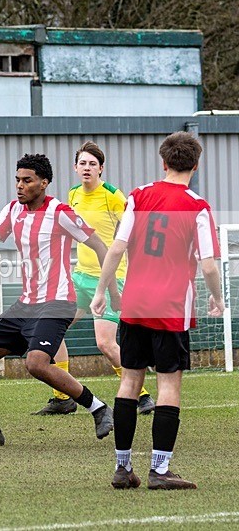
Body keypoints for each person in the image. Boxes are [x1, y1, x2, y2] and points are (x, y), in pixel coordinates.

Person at [0, 153, 121, 447]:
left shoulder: (61, 212)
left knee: (36, 364)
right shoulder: (13, 210)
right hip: (26, 304)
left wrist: (110, 291)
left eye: (27, 181)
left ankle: (98, 407)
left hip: (58, 302)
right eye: (17, 180)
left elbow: (101, 247)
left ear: (43, 183)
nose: (20, 186)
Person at [92, 132, 224, 490]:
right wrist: (218, 299)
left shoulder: (138, 196)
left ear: (163, 162)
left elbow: (117, 248)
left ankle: (122, 468)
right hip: (170, 308)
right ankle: (160, 471)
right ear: (195, 165)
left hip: (134, 304)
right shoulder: (197, 206)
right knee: (169, 384)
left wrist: (103, 291)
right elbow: (209, 265)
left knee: (130, 380)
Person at [34, 141, 155, 416]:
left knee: (105, 344)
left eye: (92, 164)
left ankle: (142, 396)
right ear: (75, 167)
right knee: (53, 327)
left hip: (113, 278)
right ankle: (62, 397)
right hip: (80, 278)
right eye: (82, 163)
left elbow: (133, 234)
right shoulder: (73, 194)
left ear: (101, 168)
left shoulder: (113, 196)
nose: (87, 168)